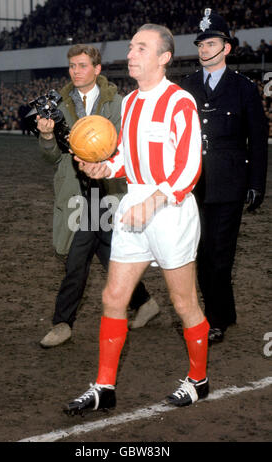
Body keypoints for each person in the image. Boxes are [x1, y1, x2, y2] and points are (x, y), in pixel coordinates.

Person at [63, 24, 210, 415]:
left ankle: (199, 380)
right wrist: (104, 168)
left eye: (141, 48)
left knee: (183, 303)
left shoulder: (180, 102)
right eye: (130, 48)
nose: (131, 54)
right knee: (113, 297)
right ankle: (104, 387)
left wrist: (157, 199)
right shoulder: (128, 104)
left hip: (171, 208)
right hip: (134, 203)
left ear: (163, 58)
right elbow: (128, 156)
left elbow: (189, 164)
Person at [37, 44, 159, 348]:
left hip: (108, 190)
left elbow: (126, 148)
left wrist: (98, 156)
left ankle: (62, 323)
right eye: (72, 66)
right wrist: (47, 136)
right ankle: (144, 302)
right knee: (106, 253)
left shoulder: (118, 103)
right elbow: (51, 158)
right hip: (76, 192)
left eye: (81, 66)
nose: (75, 72)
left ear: (97, 69)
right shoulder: (57, 106)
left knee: (79, 257)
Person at [181, 9, 268, 344]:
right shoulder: (186, 86)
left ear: (226, 48)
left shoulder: (243, 88)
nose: (204, 49)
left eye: (211, 42)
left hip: (230, 184)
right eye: (201, 43)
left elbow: (257, 140)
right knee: (199, 254)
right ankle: (225, 312)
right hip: (193, 185)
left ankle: (215, 319)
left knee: (220, 255)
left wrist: (256, 183)